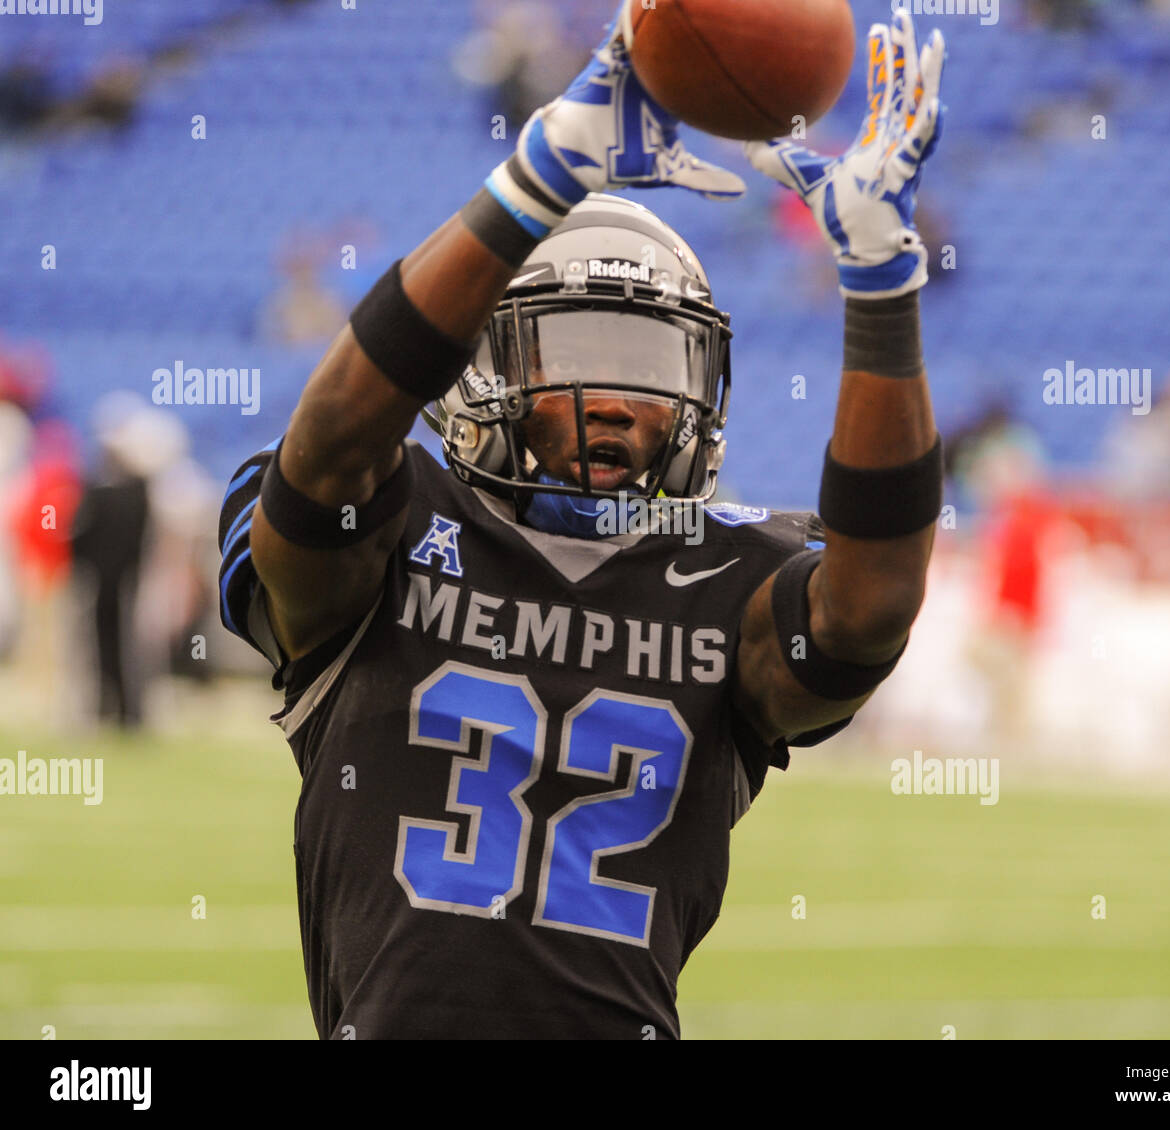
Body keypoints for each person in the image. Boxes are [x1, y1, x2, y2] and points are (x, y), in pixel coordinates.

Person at [219, 9, 947, 1039]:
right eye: (573, 352)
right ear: (478, 366)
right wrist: (536, 180)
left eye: (653, 367)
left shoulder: (734, 577)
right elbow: (325, 457)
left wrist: (880, 288)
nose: (615, 399)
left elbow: (870, 607)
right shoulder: (392, 532)